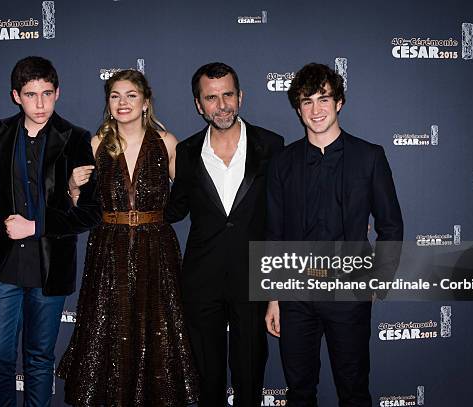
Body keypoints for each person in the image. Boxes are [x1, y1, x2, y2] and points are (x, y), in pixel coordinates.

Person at [0, 56, 100, 406]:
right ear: (15, 96)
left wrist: (35, 227)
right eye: (30, 95)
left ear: (58, 93)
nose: (40, 104)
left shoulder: (76, 138)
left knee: (40, 360)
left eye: (47, 94)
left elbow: (89, 214)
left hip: (48, 268)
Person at [265, 63, 403, 407]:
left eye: (323, 99)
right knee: (299, 391)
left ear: (339, 102)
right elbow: (274, 231)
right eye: (307, 101)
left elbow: (391, 226)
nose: (316, 109)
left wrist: (377, 281)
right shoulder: (282, 162)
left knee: (353, 390)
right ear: (298, 108)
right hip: (295, 294)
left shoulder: (369, 157)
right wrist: (272, 297)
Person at [57, 69, 198, 406]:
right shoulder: (95, 145)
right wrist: (73, 188)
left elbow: (193, 196)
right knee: (108, 331)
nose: (123, 103)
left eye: (131, 95)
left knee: (157, 330)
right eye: (115, 96)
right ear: (108, 104)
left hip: (156, 248)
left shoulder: (167, 143)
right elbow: (81, 208)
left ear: (145, 102)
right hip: (109, 249)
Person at [166, 62, 284, 406]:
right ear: (199, 105)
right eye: (212, 98)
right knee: (206, 377)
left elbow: (289, 208)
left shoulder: (272, 145)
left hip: (253, 277)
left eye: (228, 95)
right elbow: (173, 211)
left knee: (250, 374)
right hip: (201, 280)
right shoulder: (186, 153)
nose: (222, 105)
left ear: (240, 97)